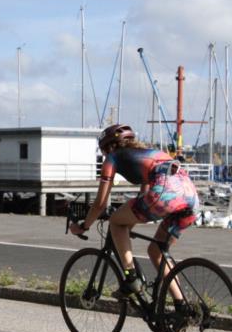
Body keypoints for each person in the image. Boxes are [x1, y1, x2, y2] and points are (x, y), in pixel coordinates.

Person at [69, 124, 199, 300]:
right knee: (156, 251)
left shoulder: (112, 158)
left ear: (109, 147)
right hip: (191, 196)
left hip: (165, 193)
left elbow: (100, 203)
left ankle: (131, 278)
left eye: (104, 151)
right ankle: (181, 306)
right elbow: (144, 197)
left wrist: (84, 226)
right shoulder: (148, 153)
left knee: (116, 222)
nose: (105, 155)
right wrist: (128, 221)